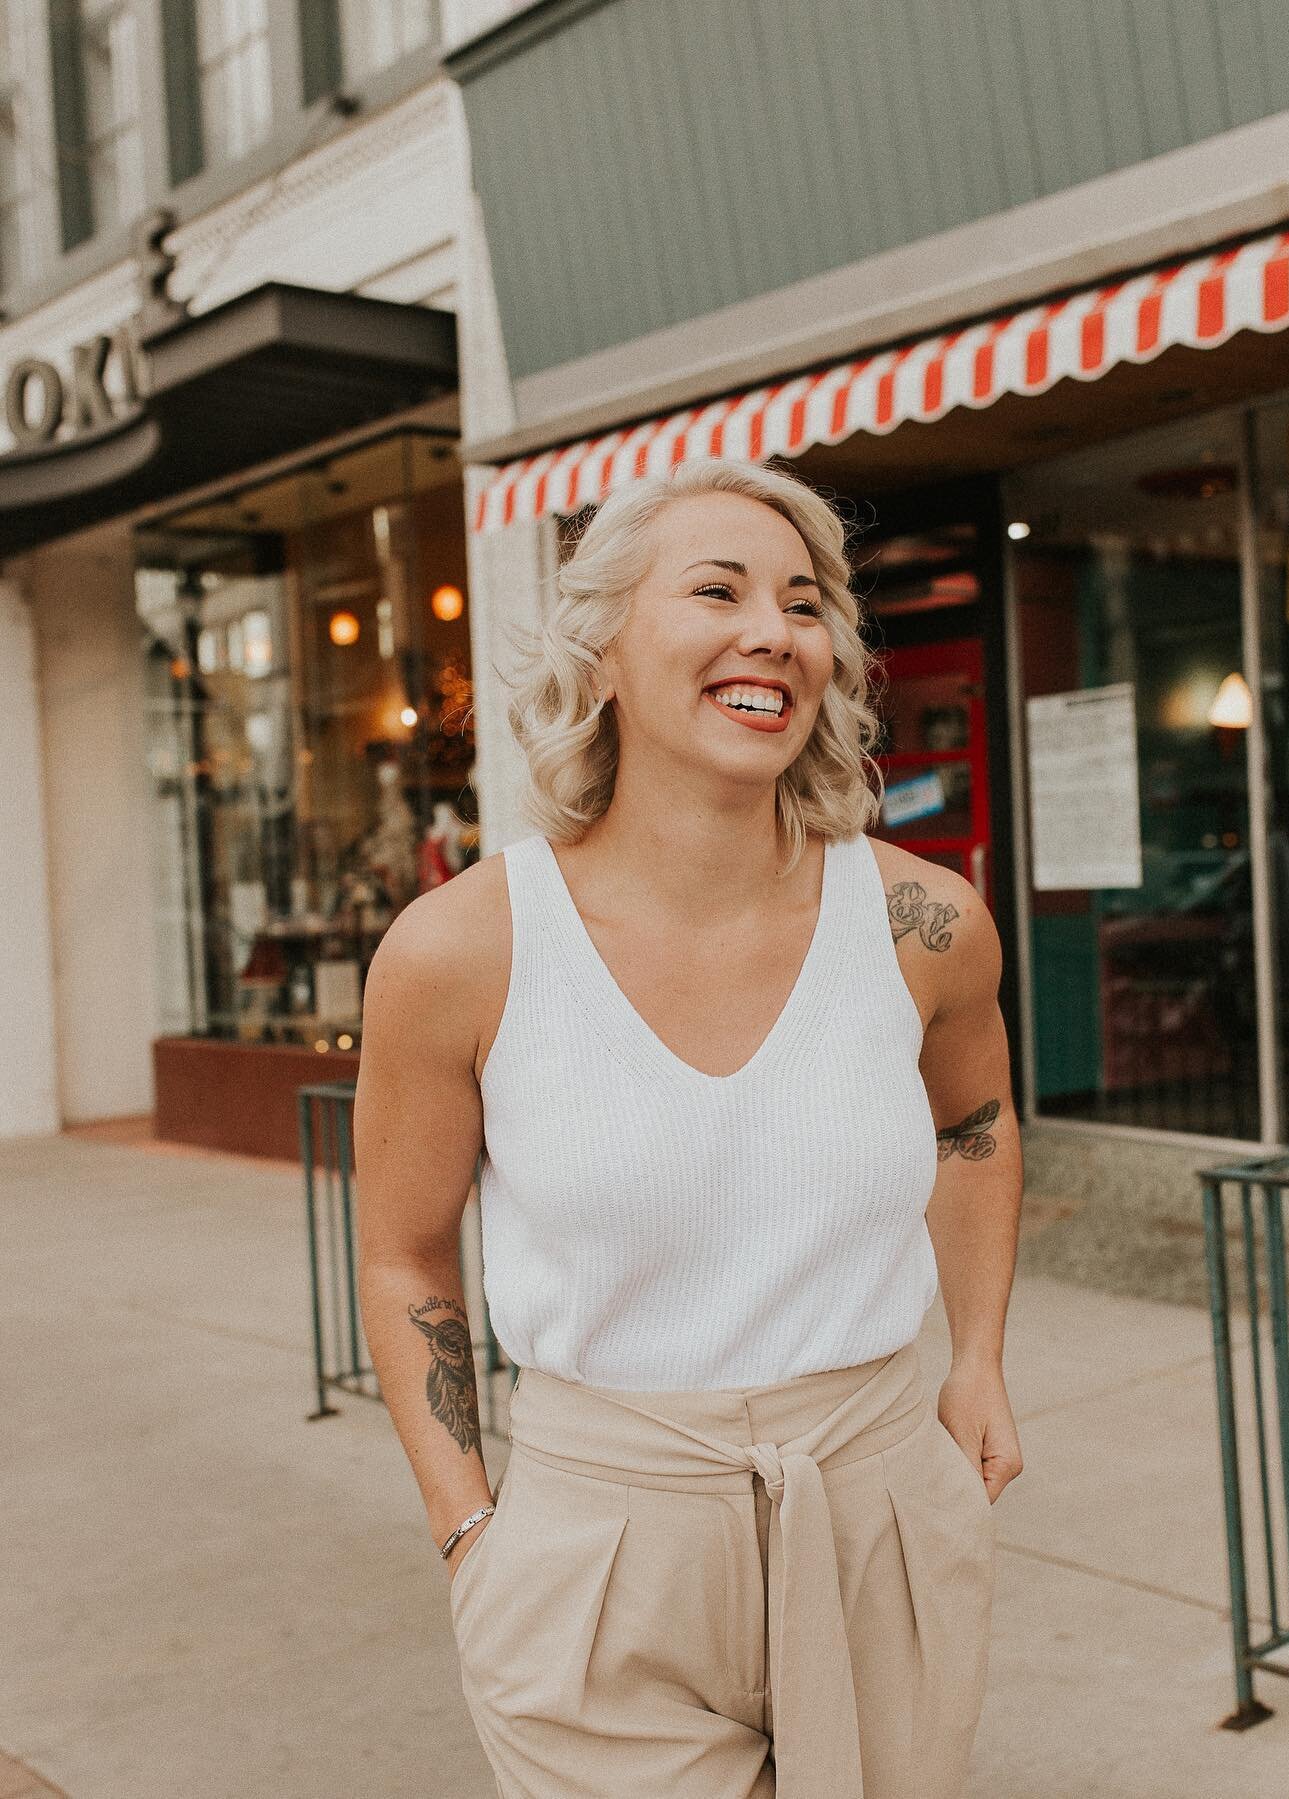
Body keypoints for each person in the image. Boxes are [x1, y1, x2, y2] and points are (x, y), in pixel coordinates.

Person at [352, 457, 1024, 1798]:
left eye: (803, 600)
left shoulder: (923, 924)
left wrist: (981, 1355)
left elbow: (978, 1128)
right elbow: (404, 1252)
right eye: (716, 590)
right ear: (600, 651)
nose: (772, 629)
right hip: (598, 1538)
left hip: (877, 1497)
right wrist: (468, 1527)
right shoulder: (463, 951)